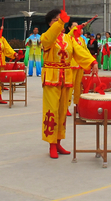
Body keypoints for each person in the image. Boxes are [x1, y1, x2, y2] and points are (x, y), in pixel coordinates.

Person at [41, 9, 97, 159]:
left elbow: (79, 51)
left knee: (62, 111)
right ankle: (52, 144)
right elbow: (48, 40)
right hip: (51, 77)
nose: (60, 23)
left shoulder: (69, 39)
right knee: (52, 110)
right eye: (56, 20)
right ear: (50, 23)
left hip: (66, 77)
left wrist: (92, 62)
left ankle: (58, 141)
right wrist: (60, 23)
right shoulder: (46, 37)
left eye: (61, 20)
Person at [68, 21, 88, 114]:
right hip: (71, 66)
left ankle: (77, 105)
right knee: (69, 87)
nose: (77, 28)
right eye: (74, 26)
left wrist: (91, 62)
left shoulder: (82, 40)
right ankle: (66, 107)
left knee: (79, 88)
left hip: (80, 66)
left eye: (78, 26)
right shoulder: (68, 37)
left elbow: (85, 51)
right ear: (70, 28)